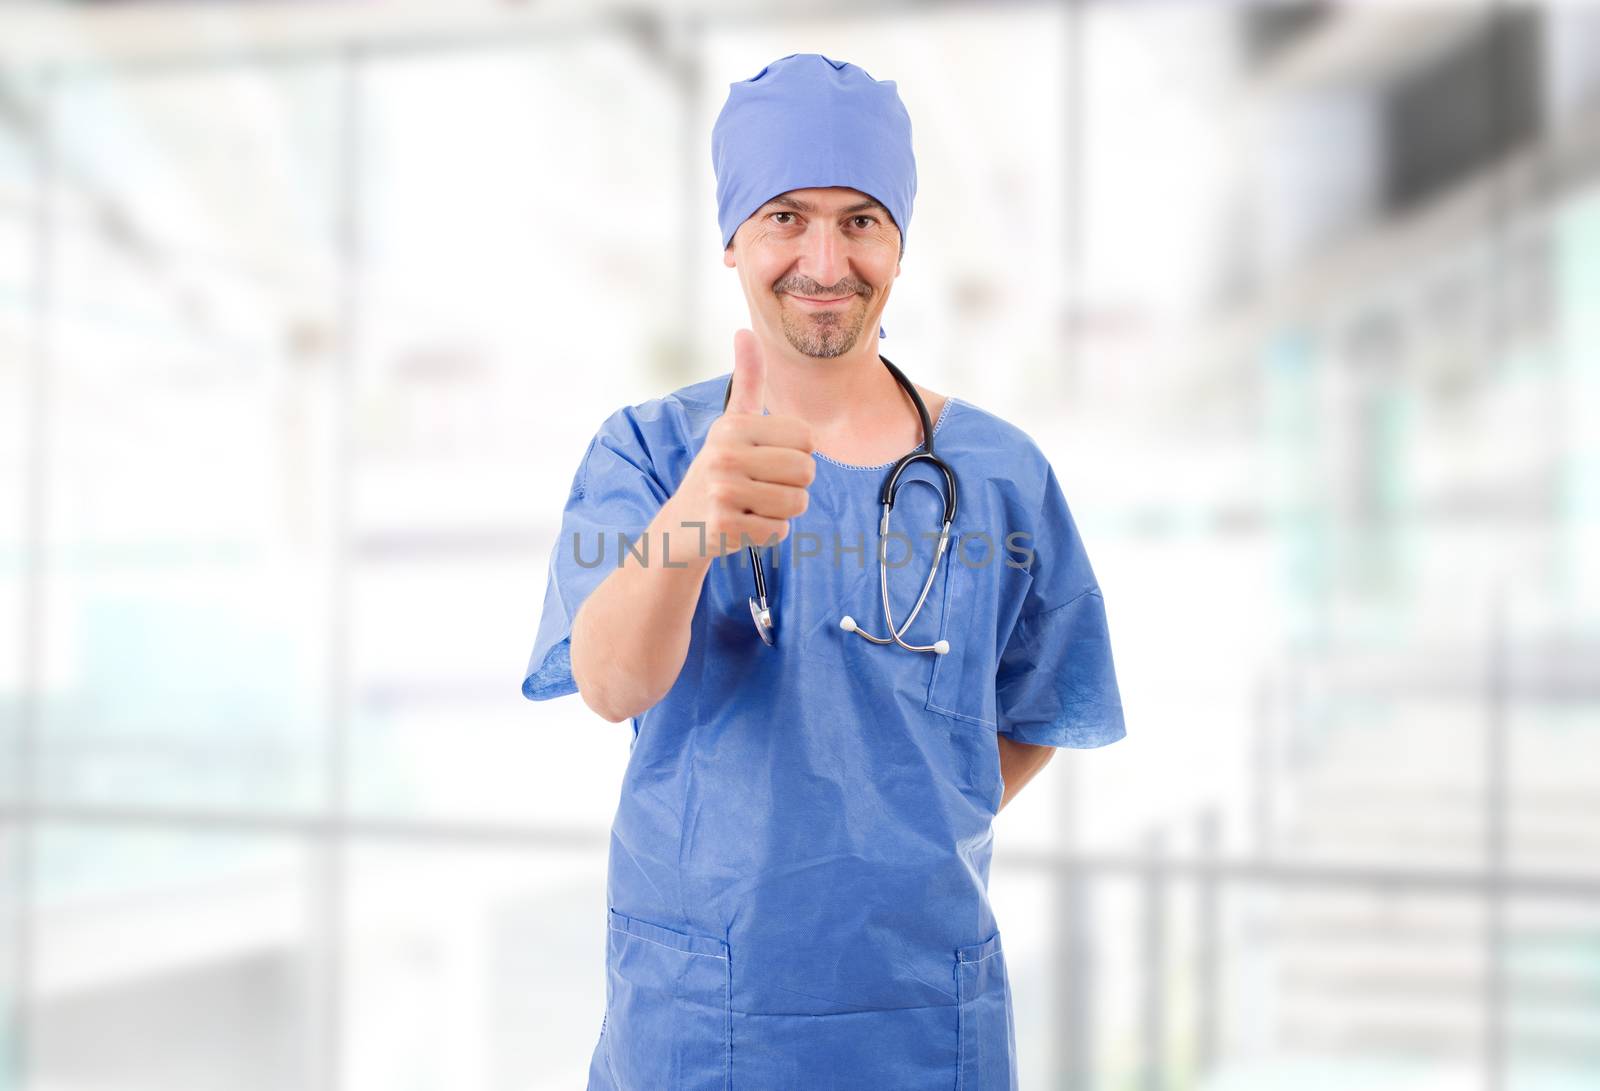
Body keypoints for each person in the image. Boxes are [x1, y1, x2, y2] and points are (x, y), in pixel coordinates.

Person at [522, 52, 1126, 1091]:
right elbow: (610, 683)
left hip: (922, 1008)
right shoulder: (650, 452)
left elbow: (1042, 701)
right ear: (732, 238)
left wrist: (908, 819)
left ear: (898, 242)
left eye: (860, 219)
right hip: (701, 1008)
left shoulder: (1000, 474)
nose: (824, 258)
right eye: (785, 216)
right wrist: (688, 525)